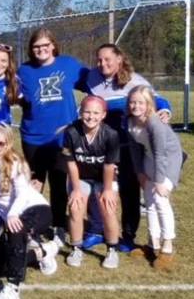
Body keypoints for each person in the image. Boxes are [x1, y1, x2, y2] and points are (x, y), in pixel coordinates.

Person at [84, 43, 172, 252]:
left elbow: (159, 100)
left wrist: (166, 110)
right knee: (98, 187)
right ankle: (97, 230)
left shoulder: (135, 81)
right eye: (99, 59)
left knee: (129, 190)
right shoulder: (91, 78)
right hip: (100, 145)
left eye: (107, 59)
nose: (102, 63)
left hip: (127, 145)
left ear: (119, 59)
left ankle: (128, 235)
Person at [18, 28, 88, 244]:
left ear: (53, 46)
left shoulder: (69, 65)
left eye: (45, 45)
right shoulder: (24, 70)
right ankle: (34, 226)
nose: (41, 49)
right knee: (35, 183)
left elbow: (96, 83)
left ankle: (58, 226)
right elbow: (9, 91)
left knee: (58, 185)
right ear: (31, 49)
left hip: (61, 139)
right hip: (33, 138)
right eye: (36, 46)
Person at [0, 124, 59, 299]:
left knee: (16, 229)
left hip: (36, 209)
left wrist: (12, 214)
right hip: (15, 216)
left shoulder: (13, 161)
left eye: (0, 143)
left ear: (8, 144)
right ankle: (43, 251)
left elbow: (23, 192)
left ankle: (13, 290)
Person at [127, 85, 184, 270]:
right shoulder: (130, 121)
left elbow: (161, 154)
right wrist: (140, 173)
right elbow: (135, 150)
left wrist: (160, 182)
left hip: (168, 161)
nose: (136, 106)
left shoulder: (155, 124)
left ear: (149, 103)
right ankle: (153, 244)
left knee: (161, 200)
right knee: (149, 201)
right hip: (150, 159)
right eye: (132, 102)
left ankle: (167, 247)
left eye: (140, 102)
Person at [62, 96, 120, 269]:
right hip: (80, 177)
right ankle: (76, 248)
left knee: (108, 208)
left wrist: (108, 190)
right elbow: (71, 163)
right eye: (87, 111)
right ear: (80, 112)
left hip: (104, 178)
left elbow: (109, 165)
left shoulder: (111, 135)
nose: (91, 116)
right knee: (75, 208)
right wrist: (76, 189)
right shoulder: (71, 132)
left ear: (103, 115)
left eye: (96, 113)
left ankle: (112, 250)